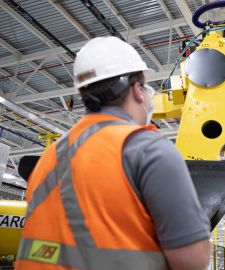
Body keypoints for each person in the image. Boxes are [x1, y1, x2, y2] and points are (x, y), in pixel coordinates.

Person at [16, 36, 211, 270]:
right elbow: (192, 260)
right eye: (148, 89)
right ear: (138, 91)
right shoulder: (147, 149)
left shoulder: (48, 158)